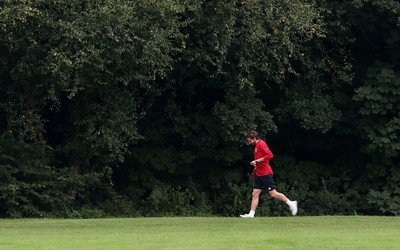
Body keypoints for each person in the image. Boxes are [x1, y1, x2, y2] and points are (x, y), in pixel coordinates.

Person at [240, 130, 298, 218]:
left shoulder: (261, 144)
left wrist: (257, 161)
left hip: (265, 173)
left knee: (273, 193)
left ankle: (291, 203)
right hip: (258, 173)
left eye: (250, 140)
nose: (249, 142)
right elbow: (261, 159)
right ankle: (251, 214)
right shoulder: (256, 146)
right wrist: (256, 163)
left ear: (254, 138)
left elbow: (270, 155)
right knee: (255, 193)